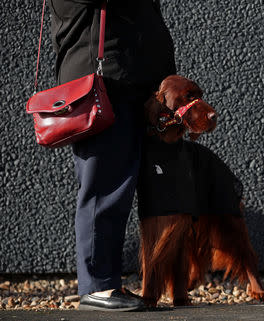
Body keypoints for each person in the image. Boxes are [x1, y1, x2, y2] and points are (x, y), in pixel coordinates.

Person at [47, 0, 176, 311]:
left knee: (122, 183)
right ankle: (98, 285)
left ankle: (109, 282)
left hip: (131, 79)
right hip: (105, 82)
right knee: (104, 184)